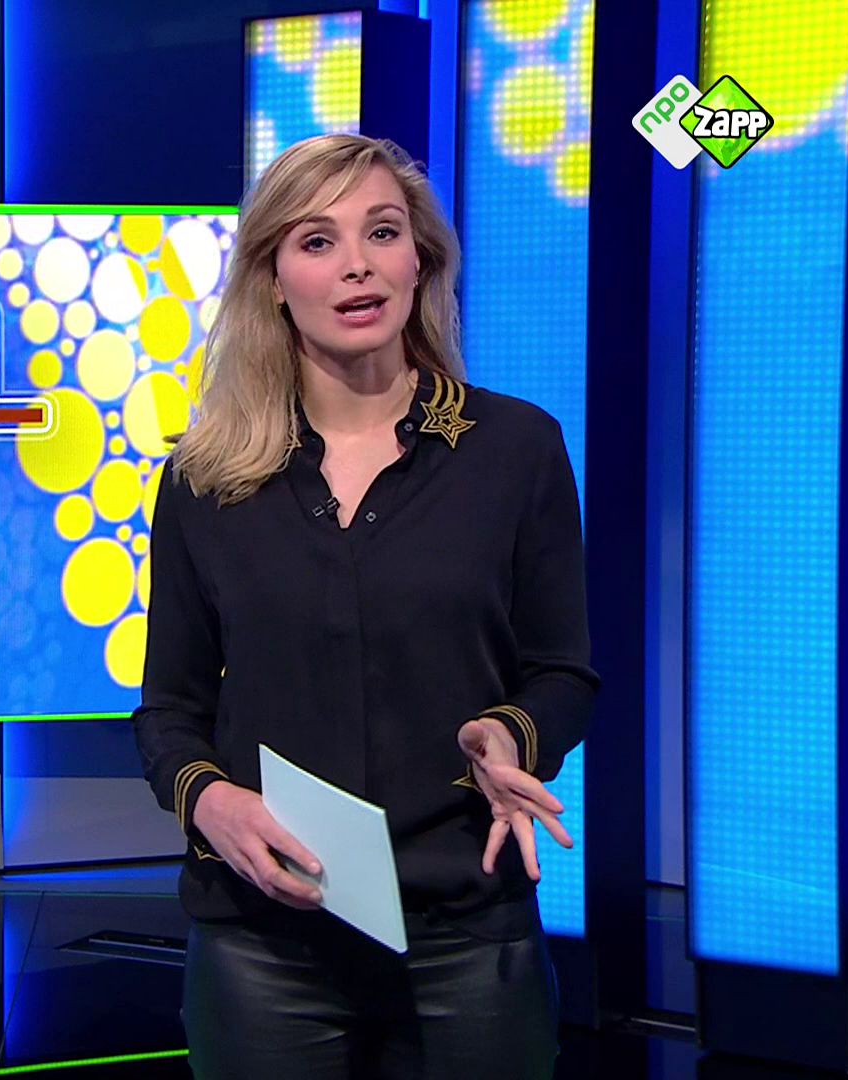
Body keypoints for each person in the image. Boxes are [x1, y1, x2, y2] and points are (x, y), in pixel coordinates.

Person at [131, 133, 598, 1079]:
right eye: (317, 241)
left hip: (467, 929)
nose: (357, 264)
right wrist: (210, 803)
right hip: (264, 941)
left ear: (420, 259)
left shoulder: (516, 450)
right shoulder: (205, 478)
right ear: (272, 279)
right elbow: (170, 710)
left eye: (382, 232)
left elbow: (563, 672)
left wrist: (511, 736)